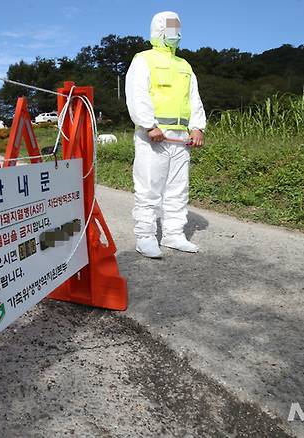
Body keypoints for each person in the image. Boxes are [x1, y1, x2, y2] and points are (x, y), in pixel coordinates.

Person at [125, 11, 207, 258]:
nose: (176, 33)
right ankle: (145, 237)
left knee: (177, 189)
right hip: (153, 136)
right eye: (171, 28)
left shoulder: (185, 65)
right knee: (149, 189)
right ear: (159, 29)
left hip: (181, 139)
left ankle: (173, 235)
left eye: (178, 28)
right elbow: (137, 94)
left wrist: (198, 127)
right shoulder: (143, 59)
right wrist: (149, 125)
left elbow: (194, 99)